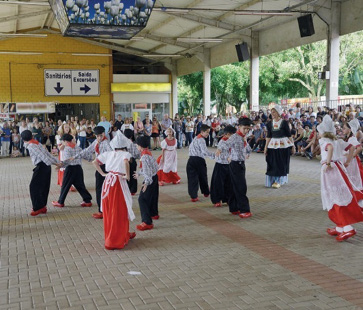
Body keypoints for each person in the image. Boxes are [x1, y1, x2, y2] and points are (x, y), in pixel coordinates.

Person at [317, 115, 363, 241]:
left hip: (332, 171)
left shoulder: (324, 141)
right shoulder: (338, 141)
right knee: (338, 197)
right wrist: (348, 161)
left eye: (319, 132)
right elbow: (352, 147)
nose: (318, 134)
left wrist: (327, 162)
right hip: (339, 169)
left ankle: (348, 228)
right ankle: (340, 227)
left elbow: (330, 148)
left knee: (336, 197)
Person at [93, 130, 136, 250]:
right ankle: (116, 239)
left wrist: (103, 173)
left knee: (110, 210)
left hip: (108, 182)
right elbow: (126, 162)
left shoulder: (109, 153)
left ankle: (117, 235)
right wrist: (127, 176)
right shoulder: (125, 154)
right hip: (118, 183)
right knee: (119, 209)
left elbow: (95, 161)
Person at [216, 118, 253, 218]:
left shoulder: (243, 137)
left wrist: (247, 147)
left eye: (248, 129)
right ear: (239, 127)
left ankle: (234, 208)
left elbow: (249, 149)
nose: (246, 131)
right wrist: (219, 150)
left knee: (234, 186)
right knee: (241, 187)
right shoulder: (235, 136)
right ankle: (244, 210)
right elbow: (225, 144)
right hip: (235, 164)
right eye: (244, 128)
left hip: (240, 164)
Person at [74, 126, 113, 219]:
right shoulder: (96, 142)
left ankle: (102, 211)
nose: (99, 137)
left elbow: (112, 154)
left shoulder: (106, 143)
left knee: (102, 189)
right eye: (97, 136)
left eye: (100, 135)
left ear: (104, 134)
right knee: (100, 189)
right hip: (99, 167)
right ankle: (103, 209)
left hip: (105, 167)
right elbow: (87, 150)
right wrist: (75, 157)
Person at [21, 130, 60, 216]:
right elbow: (48, 154)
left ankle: (38, 207)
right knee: (43, 187)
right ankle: (42, 206)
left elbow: (44, 157)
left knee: (34, 187)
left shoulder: (31, 145)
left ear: (23, 139)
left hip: (42, 166)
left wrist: (56, 163)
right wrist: (57, 161)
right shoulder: (36, 143)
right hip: (45, 167)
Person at [52, 134, 93, 208]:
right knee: (80, 185)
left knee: (65, 186)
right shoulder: (78, 148)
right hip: (78, 168)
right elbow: (86, 156)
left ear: (65, 141)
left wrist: (60, 166)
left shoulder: (66, 149)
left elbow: (67, 160)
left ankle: (60, 202)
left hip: (70, 169)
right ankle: (87, 200)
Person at [264, 105, 295, 189]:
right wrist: (266, 147)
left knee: (281, 163)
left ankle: (278, 181)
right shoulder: (269, 124)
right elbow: (268, 136)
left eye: (274, 112)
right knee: (271, 162)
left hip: (283, 146)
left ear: (278, 113)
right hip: (272, 145)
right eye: (271, 112)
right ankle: (272, 180)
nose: (272, 114)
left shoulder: (284, 123)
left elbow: (289, 135)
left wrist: (293, 146)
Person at [133, 136, 159, 231]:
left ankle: (147, 222)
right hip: (154, 177)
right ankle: (153, 213)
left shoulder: (144, 157)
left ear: (140, 146)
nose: (136, 147)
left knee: (142, 199)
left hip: (150, 179)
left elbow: (148, 172)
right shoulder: (148, 152)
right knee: (153, 196)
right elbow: (154, 167)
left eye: (137, 146)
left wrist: (146, 183)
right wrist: (139, 173)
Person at [186, 124, 215, 202]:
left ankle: (193, 196)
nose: (208, 134)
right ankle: (206, 192)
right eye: (207, 132)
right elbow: (205, 152)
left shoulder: (195, 138)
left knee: (192, 178)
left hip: (191, 160)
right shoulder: (201, 140)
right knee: (202, 177)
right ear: (202, 132)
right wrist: (214, 155)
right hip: (199, 160)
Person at [210, 125, 236, 208]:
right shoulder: (222, 141)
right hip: (221, 164)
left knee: (229, 183)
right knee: (218, 183)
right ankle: (217, 200)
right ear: (227, 134)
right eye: (233, 135)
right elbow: (219, 149)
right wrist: (217, 152)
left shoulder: (232, 140)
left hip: (229, 164)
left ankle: (228, 198)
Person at [341, 118, 363, 206]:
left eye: (344, 128)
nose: (343, 130)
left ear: (350, 129)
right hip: (350, 161)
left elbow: (359, 148)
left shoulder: (352, 138)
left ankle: (357, 201)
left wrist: (352, 156)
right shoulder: (348, 138)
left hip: (352, 163)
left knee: (353, 180)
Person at [123, 129, 141, 196]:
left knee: (125, 174)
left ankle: (125, 189)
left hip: (124, 161)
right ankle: (133, 190)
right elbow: (137, 154)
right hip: (132, 160)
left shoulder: (122, 143)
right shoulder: (133, 144)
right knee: (133, 174)